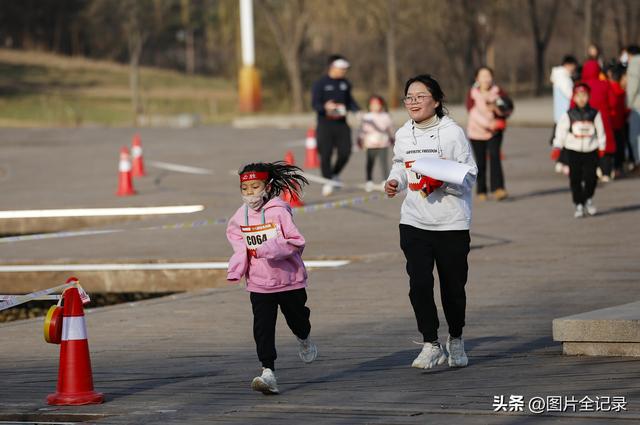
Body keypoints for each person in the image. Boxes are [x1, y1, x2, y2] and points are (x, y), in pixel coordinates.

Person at [384, 74, 477, 370]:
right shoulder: (403, 134)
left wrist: (441, 181)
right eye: (408, 97)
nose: (413, 102)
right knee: (419, 284)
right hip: (414, 221)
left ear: (436, 101)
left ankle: (456, 338)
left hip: (451, 223)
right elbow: (400, 165)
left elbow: (470, 175)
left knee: (453, 288)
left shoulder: (452, 134)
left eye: (420, 96)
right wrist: (394, 182)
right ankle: (430, 344)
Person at [226, 162, 317, 395]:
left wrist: (266, 249)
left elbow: (296, 243)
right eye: (244, 189)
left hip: (289, 279)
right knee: (263, 328)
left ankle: (304, 337)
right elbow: (238, 244)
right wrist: (237, 267)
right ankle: (268, 371)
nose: (250, 193)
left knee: (297, 319)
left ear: (267, 186)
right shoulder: (240, 216)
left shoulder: (279, 211)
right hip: (259, 282)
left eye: (255, 187)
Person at [552, 83, 606, 218]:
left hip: (591, 149)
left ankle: (588, 199)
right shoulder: (569, 115)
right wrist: (557, 147)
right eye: (578, 96)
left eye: (584, 96)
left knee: (591, 177)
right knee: (575, 178)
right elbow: (561, 132)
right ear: (574, 98)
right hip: (573, 150)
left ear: (589, 97)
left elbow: (601, 131)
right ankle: (578, 204)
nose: (581, 99)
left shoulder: (594, 114)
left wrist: (602, 147)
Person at [311, 54, 360, 196]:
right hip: (325, 124)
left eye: (345, 69)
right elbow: (315, 104)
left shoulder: (345, 83)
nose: (344, 71)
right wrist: (325, 107)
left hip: (341, 123)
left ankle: (335, 174)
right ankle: (328, 181)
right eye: (341, 68)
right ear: (332, 67)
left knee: (346, 151)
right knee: (325, 154)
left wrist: (357, 111)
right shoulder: (320, 83)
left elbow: (350, 101)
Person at [466, 66, 512, 201]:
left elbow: (508, 108)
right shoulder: (472, 94)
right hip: (476, 132)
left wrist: (500, 112)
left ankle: (498, 189)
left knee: (495, 157)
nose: (486, 79)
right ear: (477, 79)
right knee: (480, 162)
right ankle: (481, 190)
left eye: (488, 76)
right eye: (483, 76)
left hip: (495, 131)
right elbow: (472, 113)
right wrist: (488, 124)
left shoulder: (499, 92)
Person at [581, 59, 616, 181]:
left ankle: (591, 172)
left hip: (585, 119)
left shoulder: (581, 86)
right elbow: (613, 102)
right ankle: (606, 172)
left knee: (588, 146)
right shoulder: (605, 84)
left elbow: (572, 104)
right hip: (603, 118)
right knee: (604, 145)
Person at [357, 95, 395, 192]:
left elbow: (390, 129)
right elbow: (362, 130)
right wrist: (360, 139)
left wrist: (392, 138)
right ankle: (369, 181)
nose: (375, 107)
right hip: (370, 144)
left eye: (377, 105)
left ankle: (384, 180)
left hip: (383, 143)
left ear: (381, 105)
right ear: (369, 106)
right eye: (372, 105)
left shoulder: (386, 116)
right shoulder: (366, 116)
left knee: (384, 163)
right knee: (370, 163)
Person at [550, 55, 578, 175]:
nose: (573, 70)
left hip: (560, 114)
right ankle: (564, 162)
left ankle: (560, 162)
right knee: (565, 140)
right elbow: (570, 94)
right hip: (565, 114)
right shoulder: (563, 77)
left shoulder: (559, 76)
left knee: (560, 138)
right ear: (568, 65)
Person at [607, 64, 630, 177]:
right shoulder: (621, 92)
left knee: (611, 148)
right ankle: (617, 167)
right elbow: (626, 109)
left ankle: (611, 168)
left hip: (609, 123)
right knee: (619, 147)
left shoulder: (608, 88)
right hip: (619, 124)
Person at [626, 45, 640, 174]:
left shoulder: (635, 63)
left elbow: (633, 87)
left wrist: (628, 104)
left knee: (635, 136)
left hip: (637, 105)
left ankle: (638, 161)